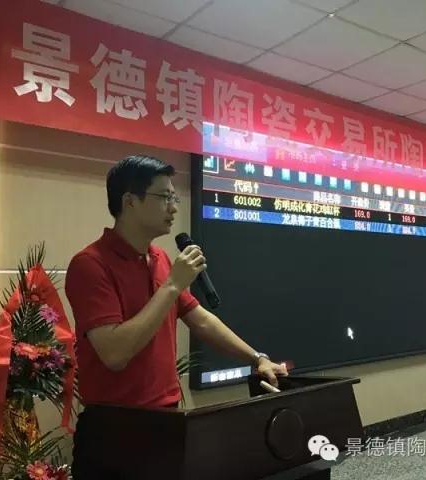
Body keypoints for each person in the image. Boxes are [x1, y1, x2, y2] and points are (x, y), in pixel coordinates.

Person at [65, 154, 288, 478]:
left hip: (167, 422)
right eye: (164, 197)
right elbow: (114, 353)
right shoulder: (90, 264)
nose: (173, 207)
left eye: (174, 197)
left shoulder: (160, 259)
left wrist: (257, 358)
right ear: (130, 201)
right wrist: (171, 285)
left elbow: (201, 319)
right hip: (114, 431)